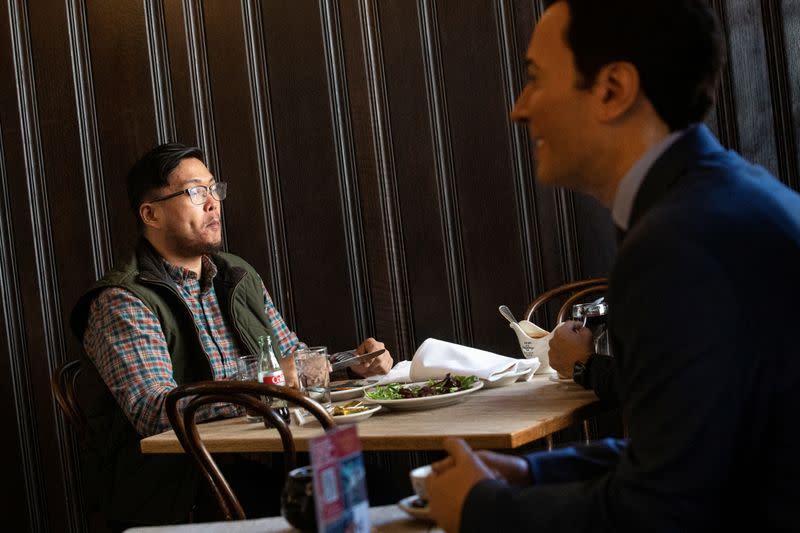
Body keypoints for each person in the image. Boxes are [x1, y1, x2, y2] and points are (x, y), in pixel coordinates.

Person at [425, 1, 800, 531]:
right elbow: (684, 455)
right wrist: (529, 473)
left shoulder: (679, 240)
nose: (519, 108)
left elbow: (665, 512)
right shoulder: (718, 197)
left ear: (612, 89)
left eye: (534, 79)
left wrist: (480, 509)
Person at [69, 143, 393, 530]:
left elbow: (293, 358)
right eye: (194, 192)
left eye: (214, 189)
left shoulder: (236, 274)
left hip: (270, 458)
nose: (213, 204)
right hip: (185, 489)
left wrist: (352, 365)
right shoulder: (123, 301)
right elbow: (154, 412)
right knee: (372, 498)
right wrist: (265, 385)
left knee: (386, 488)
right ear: (150, 214)